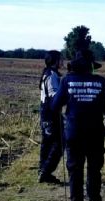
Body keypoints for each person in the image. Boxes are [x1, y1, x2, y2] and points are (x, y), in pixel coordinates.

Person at [51, 50, 105, 201]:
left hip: (74, 133)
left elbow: (55, 105)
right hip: (96, 133)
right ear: (91, 66)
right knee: (94, 170)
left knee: (75, 172)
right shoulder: (101, 82)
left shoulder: (67, 80)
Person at [38, 50, 63, 184]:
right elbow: (54, 96)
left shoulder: (47, 73)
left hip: (45, 113)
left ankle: (42, 171)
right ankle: (45, 171)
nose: (63, 61)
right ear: (55, 61)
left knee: (46, 144)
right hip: (51, 114)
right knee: (59, 144)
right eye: (61, 59)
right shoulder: (52, 75)